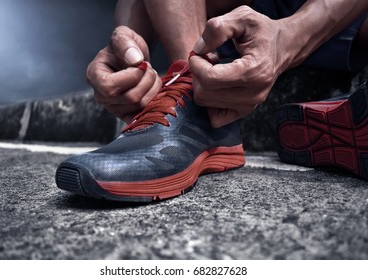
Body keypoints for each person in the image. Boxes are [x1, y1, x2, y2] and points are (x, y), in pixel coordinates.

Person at [55, 1, 368, 202]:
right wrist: (128, 45)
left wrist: (292, 36)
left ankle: (194, 99)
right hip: (229, 28)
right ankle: (192, 94)